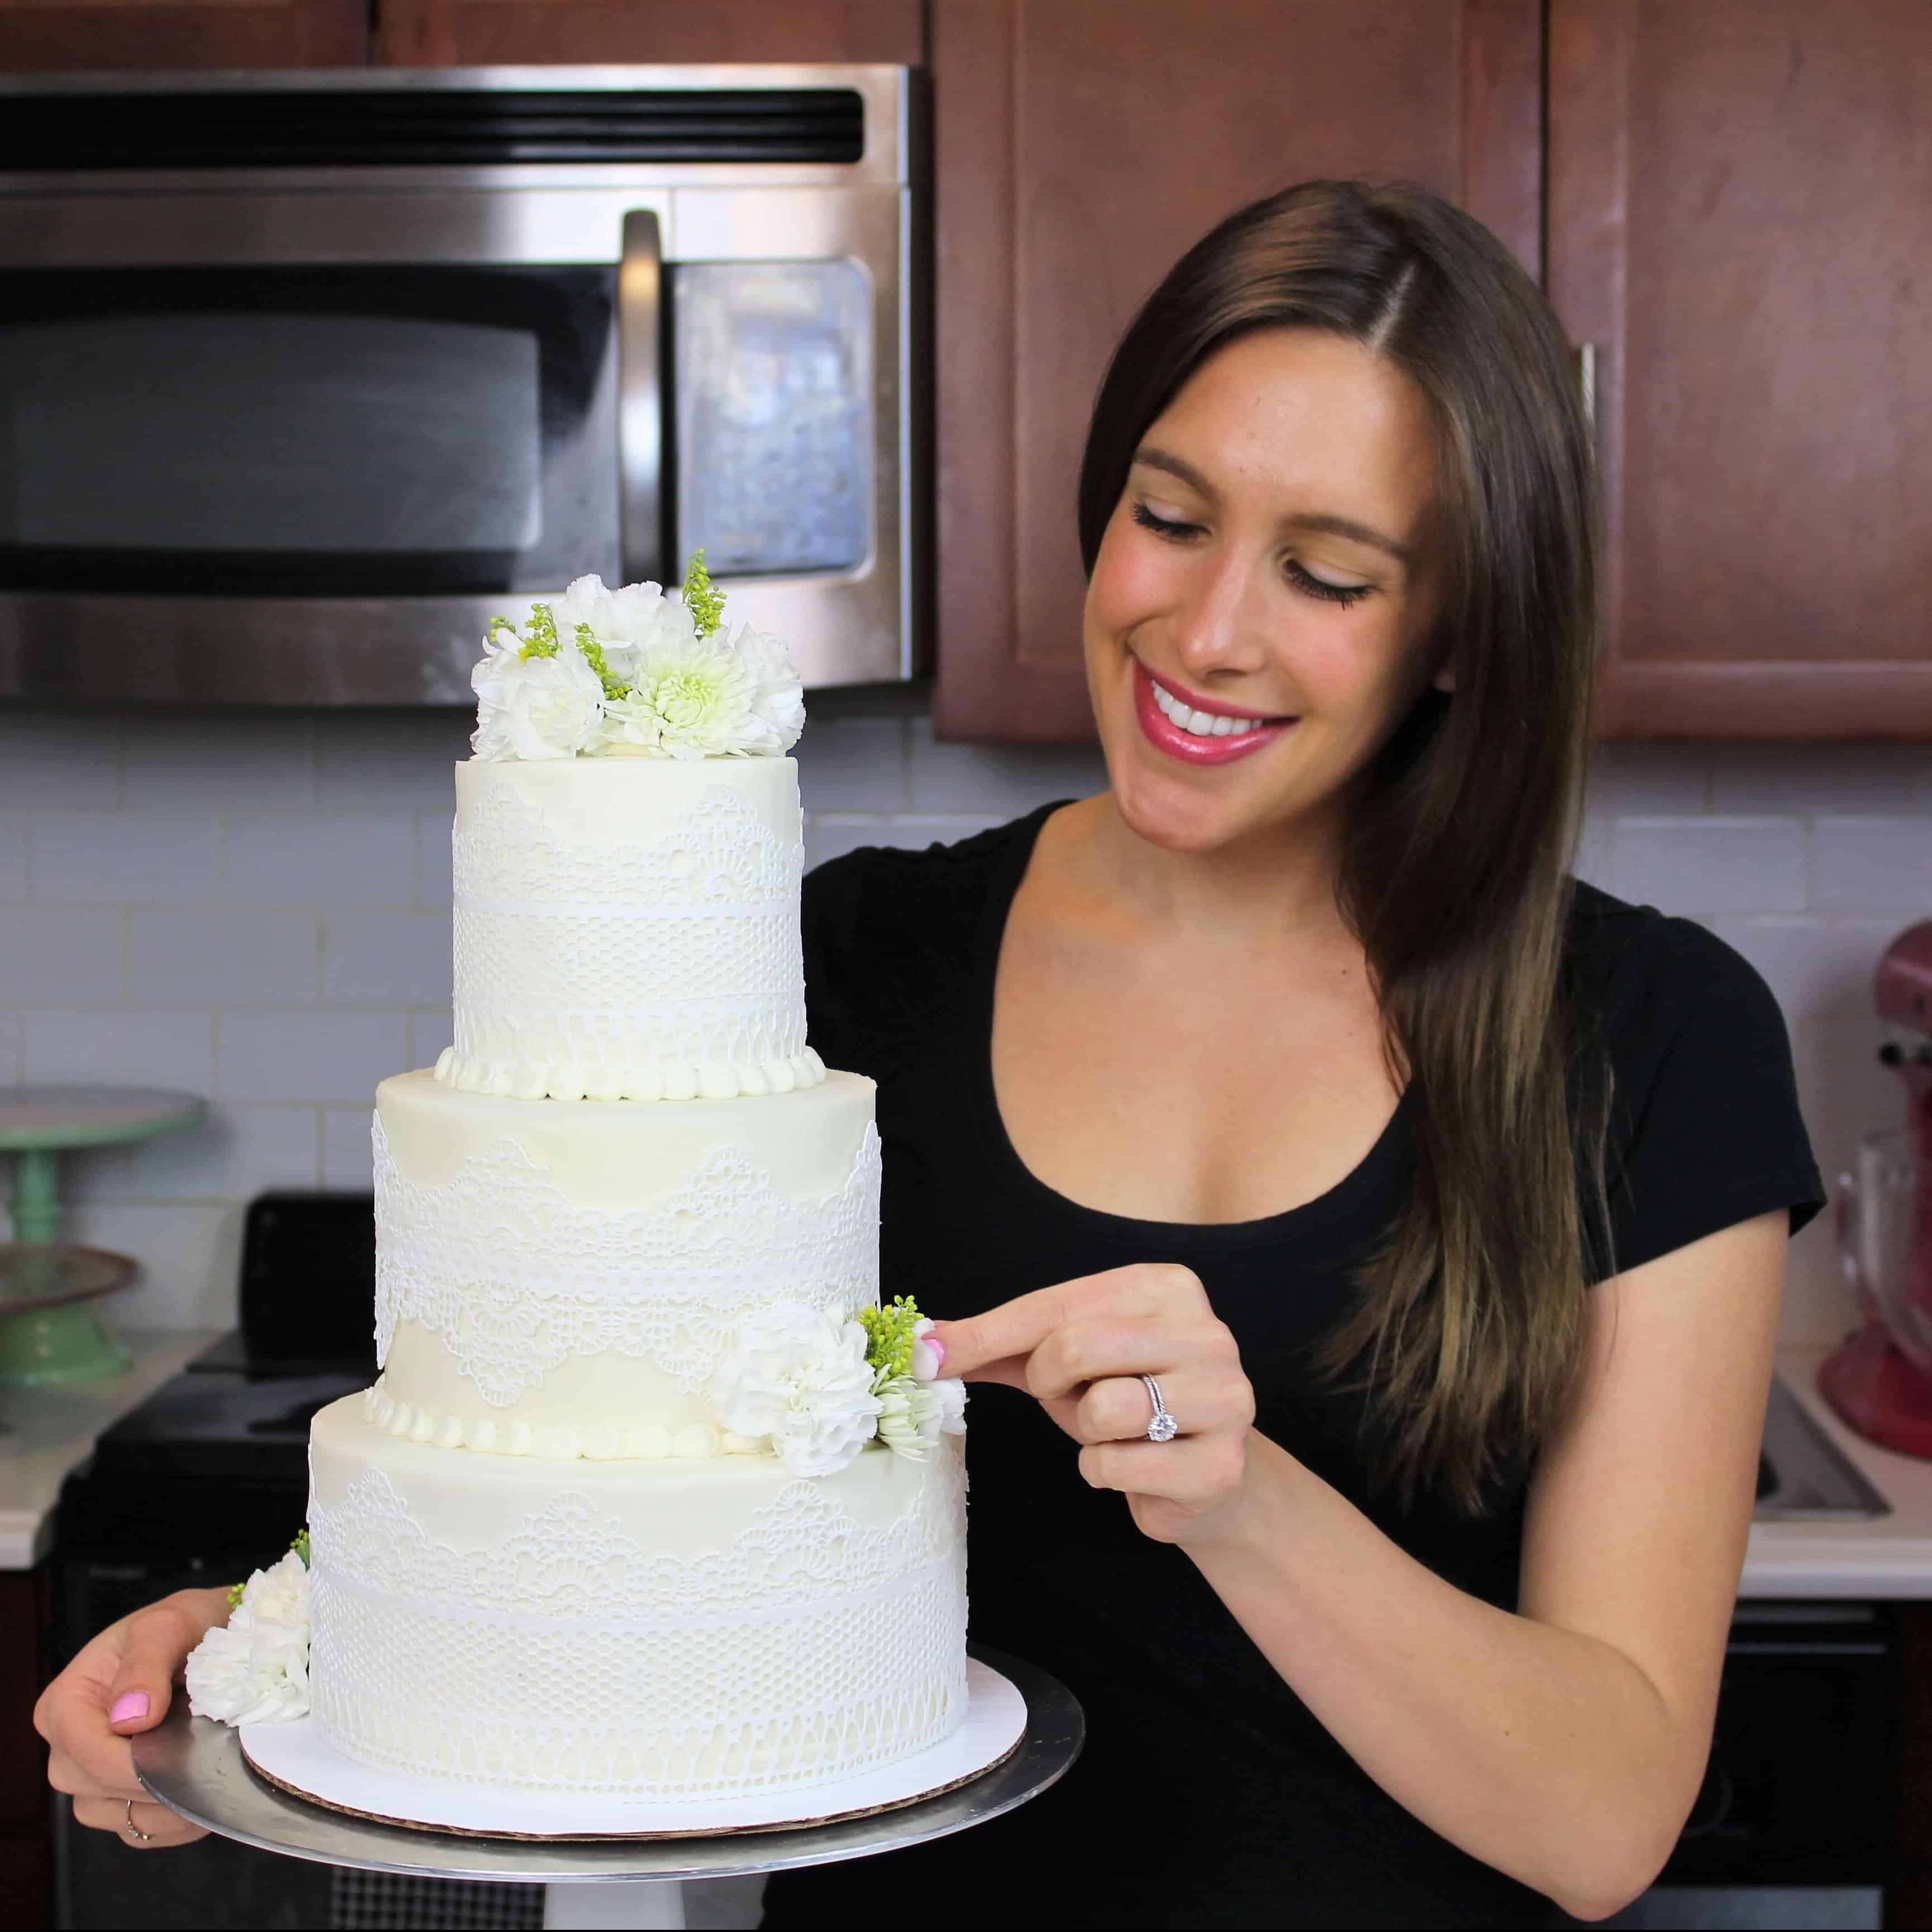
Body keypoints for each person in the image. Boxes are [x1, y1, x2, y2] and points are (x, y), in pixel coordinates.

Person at [37, 181, 1822, 1930]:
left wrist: (1237, 1494)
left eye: (1327, 575)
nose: (1205, 632)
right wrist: (255, 1652)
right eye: (1169, 514)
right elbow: (590, 1492)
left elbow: (1603, 1821)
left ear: (1455, 633)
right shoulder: (843, 969)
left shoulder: (1650, 1038)